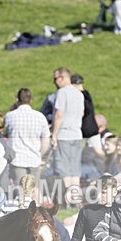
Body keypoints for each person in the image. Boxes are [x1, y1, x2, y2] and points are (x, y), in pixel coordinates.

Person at [51, 68, 84, 205]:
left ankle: (69, 199)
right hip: (77, 133)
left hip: (64, 133)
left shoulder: (62, 92)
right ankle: (76, 199)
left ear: (62, 78)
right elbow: (82, 113)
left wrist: (54, 134)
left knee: (64, 168)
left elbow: (59, 115)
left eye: (55, 79)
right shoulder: (79, 93)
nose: (54, 82)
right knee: (74, 168)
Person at [4, 87, 50, 187]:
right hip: (34, 159)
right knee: (34, 189)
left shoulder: (10, 116)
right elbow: (46, 140)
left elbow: (5, 134)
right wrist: (39, 154)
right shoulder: (40, 117)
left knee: (21, 189)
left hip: (17, 159)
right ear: (31, 100)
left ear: (17, 99)